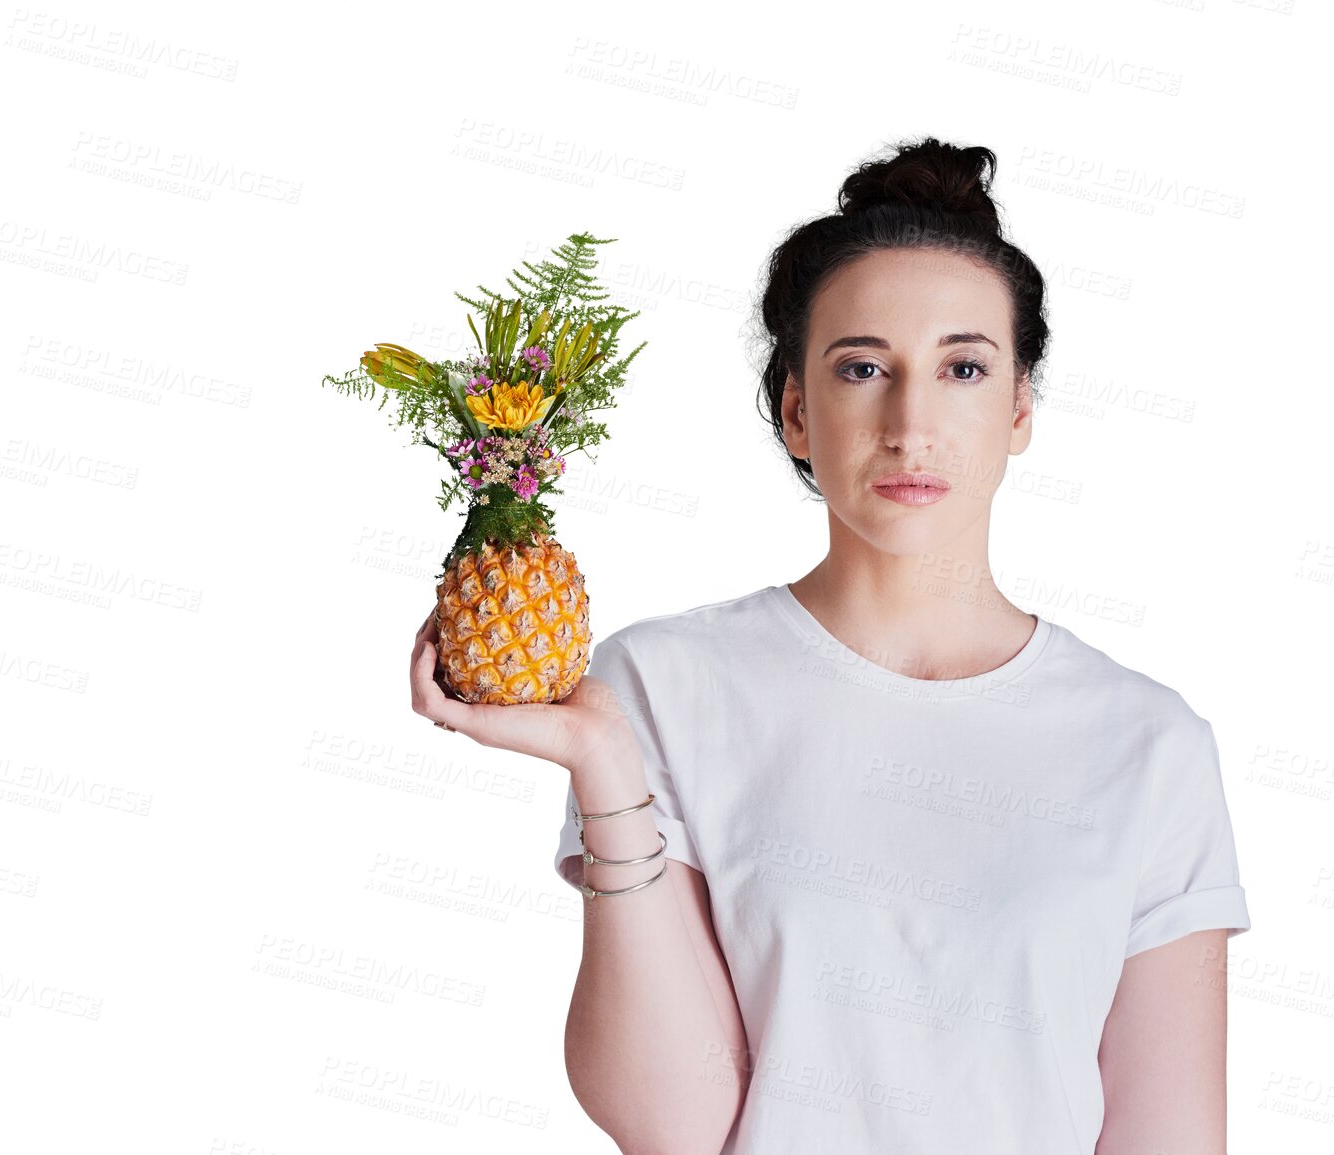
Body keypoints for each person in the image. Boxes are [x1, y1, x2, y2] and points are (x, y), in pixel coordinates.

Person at [409, 136, 1251, 1155]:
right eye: (863, 368)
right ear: (798, 412)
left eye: (964, 368)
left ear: (1020, 407)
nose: (910, 423)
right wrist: (603, 768)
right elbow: (673, 1124)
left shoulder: (1150, 745)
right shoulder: (660, 690)